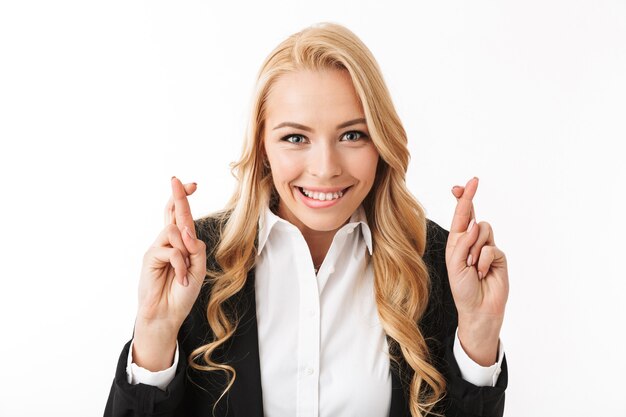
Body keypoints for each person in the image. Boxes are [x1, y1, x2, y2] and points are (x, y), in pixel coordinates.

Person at [104, 22, 509, 417]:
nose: (325, 168)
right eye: (295, 138)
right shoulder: (196, 265)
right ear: (263, 146)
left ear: (381, 143)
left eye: (352, 135)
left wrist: (478, 331)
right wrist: (155, 331)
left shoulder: (437, 261)